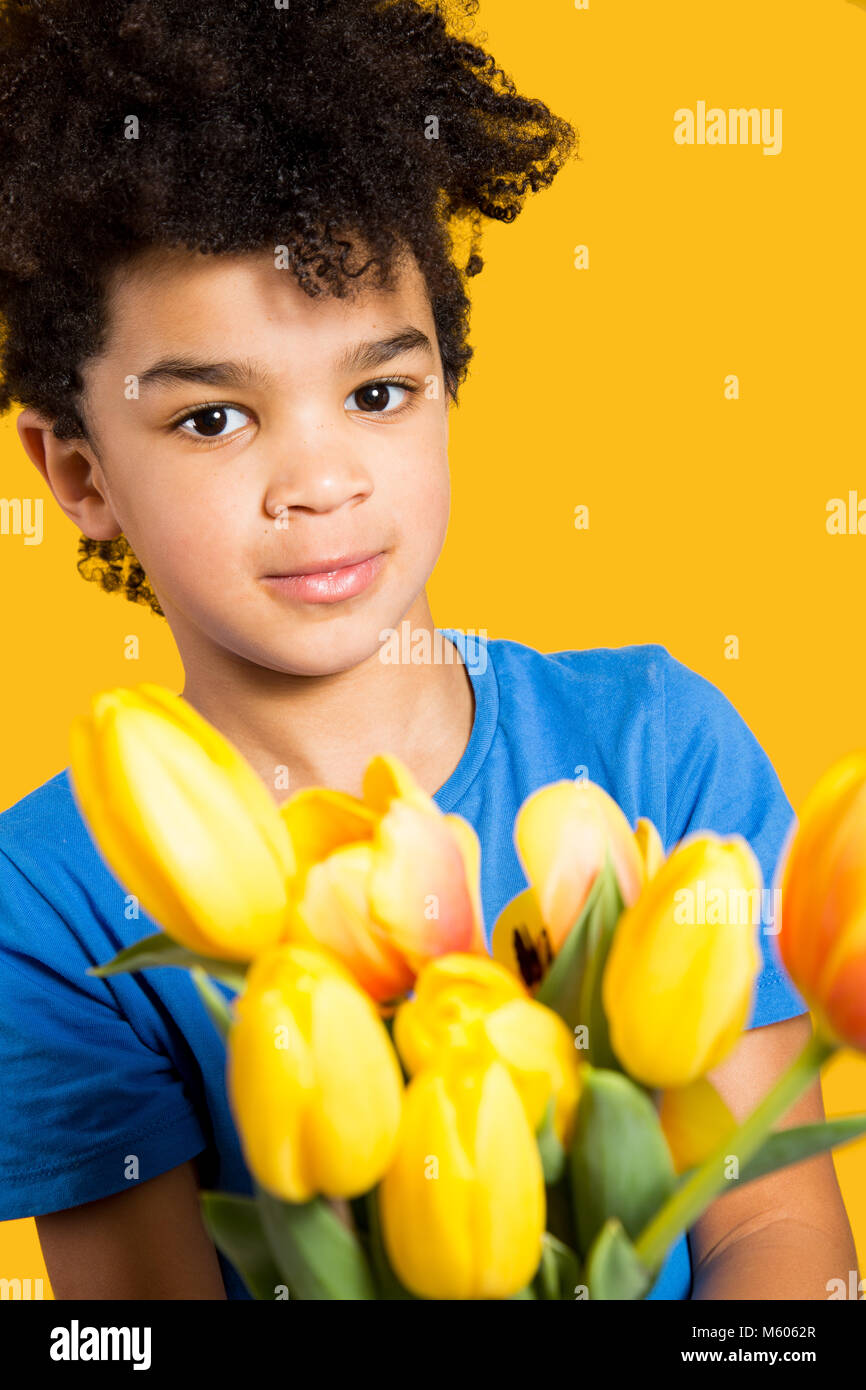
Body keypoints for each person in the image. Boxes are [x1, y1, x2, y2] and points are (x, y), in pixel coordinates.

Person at [0, 0, 855, 1300]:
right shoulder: (48, 901)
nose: (321, 480)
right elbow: (126, 1328)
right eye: (216, 416)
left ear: (445, 383)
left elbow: (776, 1236)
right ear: (78, 472)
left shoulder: (655, 745)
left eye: (377, 393)